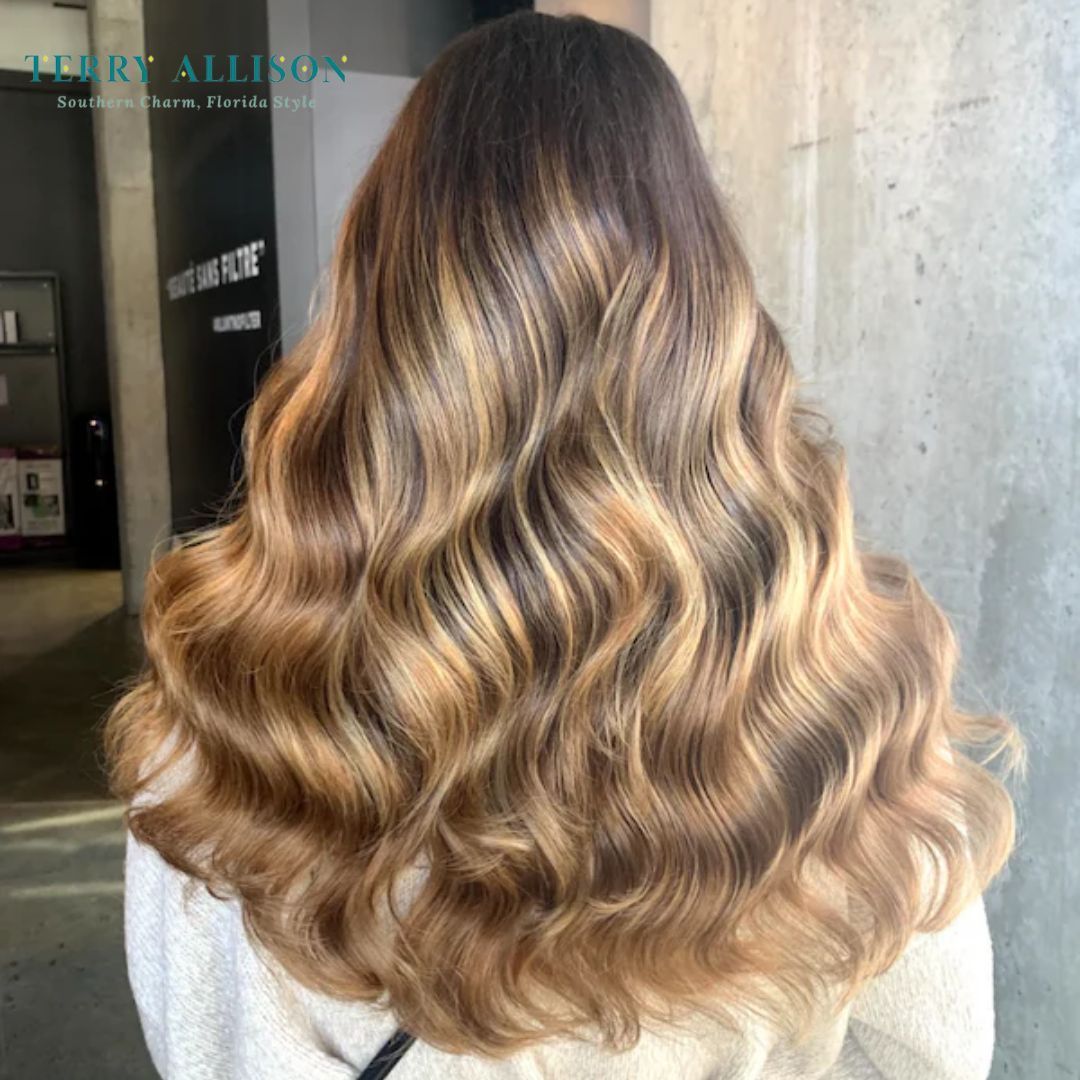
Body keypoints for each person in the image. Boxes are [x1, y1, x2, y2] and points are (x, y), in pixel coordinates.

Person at [106, 11, 1019, 1079]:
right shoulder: (846, 697)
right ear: (703, 308)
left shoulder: (227, 711)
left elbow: (209, 1051)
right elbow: (923, 1058)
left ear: (376, 301)